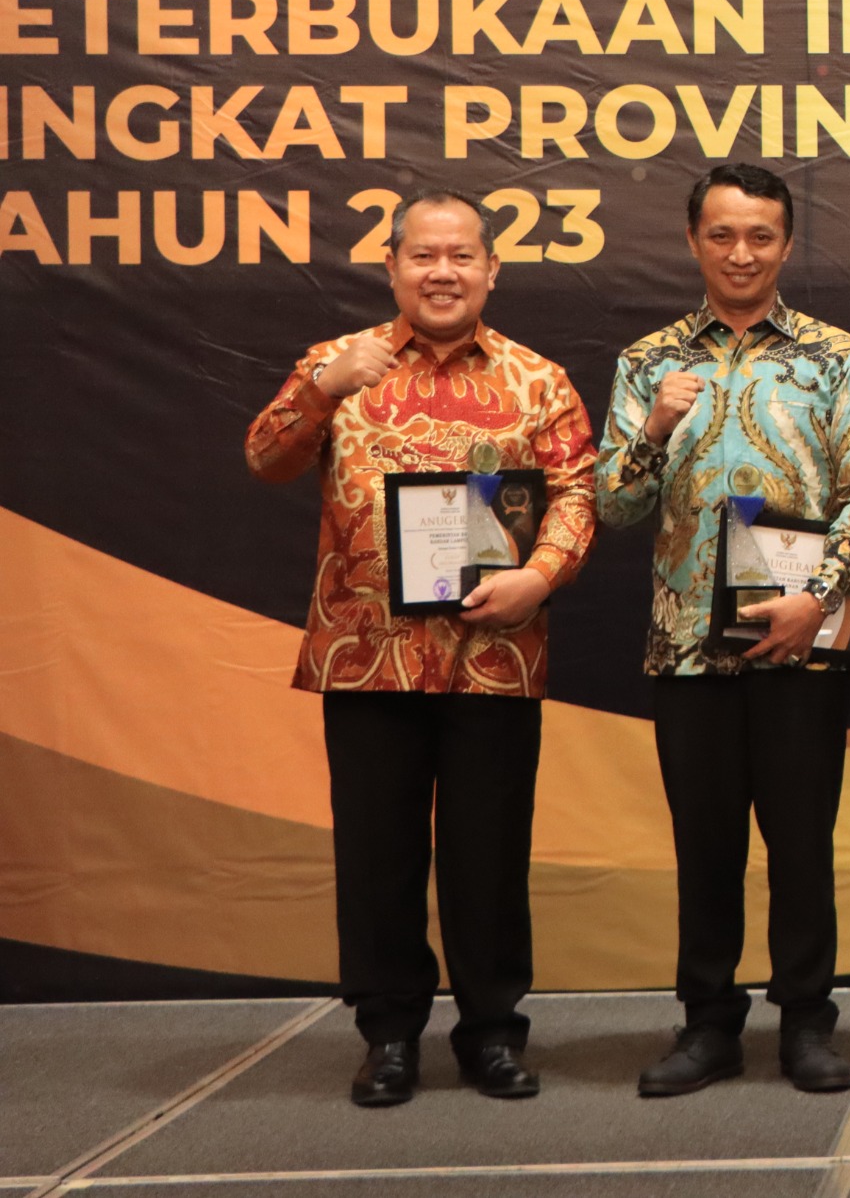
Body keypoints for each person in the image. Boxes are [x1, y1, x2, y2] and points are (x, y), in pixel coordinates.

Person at [246, 189, 596, 1108]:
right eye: (424, 256)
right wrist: (322, 388)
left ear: (491, 270)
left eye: (461, 256)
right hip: (367, 655)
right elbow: (266, 459)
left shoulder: (538, 379)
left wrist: (540, 577)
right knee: (378, 856)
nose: (443, 273)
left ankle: (493, 1034)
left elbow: (577, 494)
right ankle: (389, 1035)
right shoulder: (336, 363)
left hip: (495, 656)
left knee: (489, 857)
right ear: (393, 266)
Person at [595, 164, 850, 1098]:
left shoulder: (837, 358)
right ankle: (708, 1025)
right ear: (693, 242)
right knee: (706, 847)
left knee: (802, 845)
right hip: (687, 645)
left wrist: (819, 599)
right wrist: (653, 429)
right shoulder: (648, 362)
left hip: (803, 639)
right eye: (721, 235)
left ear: (787, 245)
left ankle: (806, 1022)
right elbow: (613, 506)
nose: (740, 253)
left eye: (760, 236)